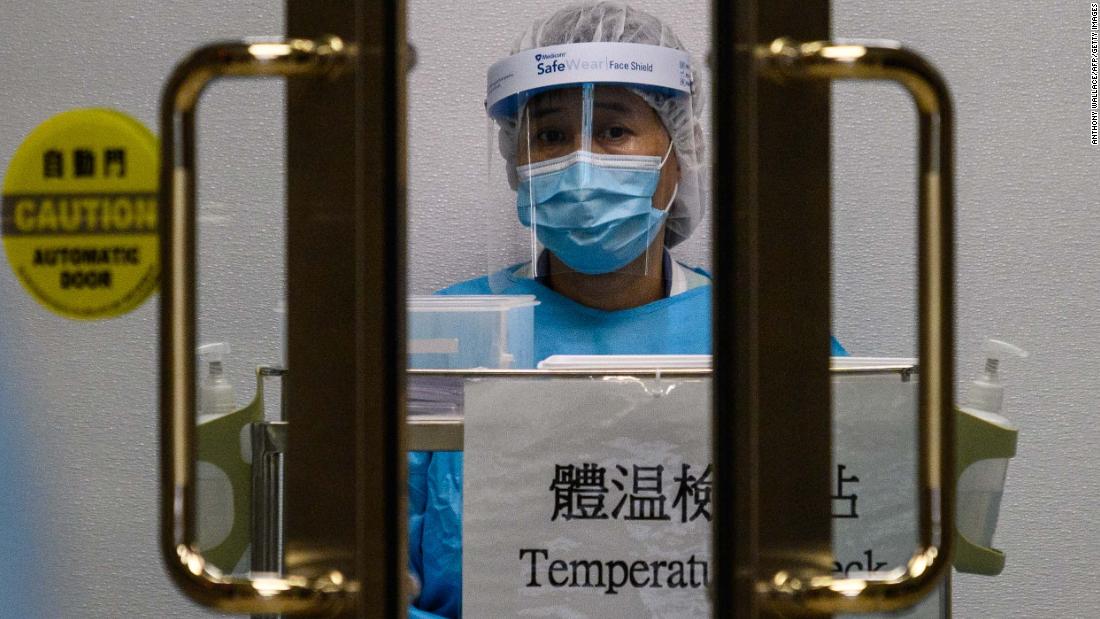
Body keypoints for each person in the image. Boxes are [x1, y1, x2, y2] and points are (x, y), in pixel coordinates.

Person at [408, 3, 845, 617]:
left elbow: (845, 553)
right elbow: (376, 576)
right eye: (551, 135)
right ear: (515, 165)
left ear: (679, 156)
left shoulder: (765, 339)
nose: (581, 165)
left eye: (614, 130)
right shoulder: (445, 338)